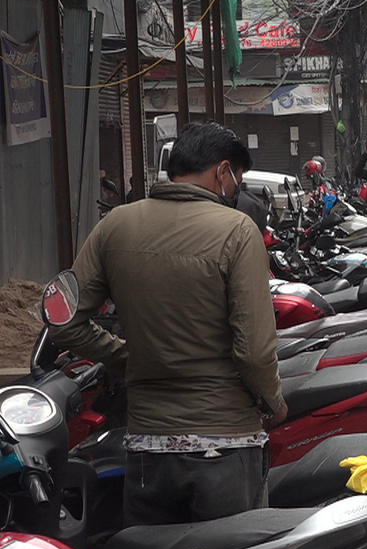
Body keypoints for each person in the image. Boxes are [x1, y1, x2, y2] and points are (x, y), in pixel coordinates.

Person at [50, 122, 284, 526]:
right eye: (237, 180)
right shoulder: (238, 231)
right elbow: (254, 352)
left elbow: (64, 321)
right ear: (222, 172)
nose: (235, 191)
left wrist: (129, 359)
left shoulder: (115, 225)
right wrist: (274, 404)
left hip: (146, 449)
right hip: (225, 445)